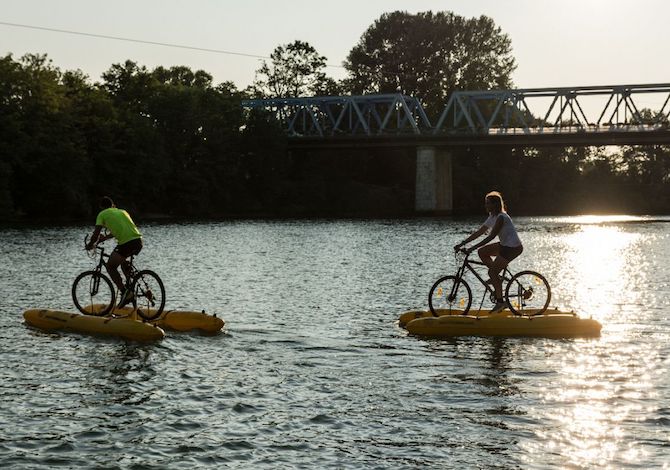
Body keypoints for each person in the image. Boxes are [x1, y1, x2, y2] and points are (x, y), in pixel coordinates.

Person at [453, 191, 523, 314]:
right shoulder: (492, 217)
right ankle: (497, 278)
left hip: (512, 248)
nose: (485, 206)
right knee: (482, 252)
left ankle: (501, 302)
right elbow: (479, 232)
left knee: (491, 272)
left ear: (495, 205)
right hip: (504, 245)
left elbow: (490, 237)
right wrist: (462, 244)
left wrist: (471, 248)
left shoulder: (501, 217)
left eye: (488, 203)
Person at [86, 196, 143, 307]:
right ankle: (132, 282)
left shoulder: (102, 214)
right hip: (138, 241)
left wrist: (90, 244)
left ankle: (125, 292)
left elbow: (96, 233)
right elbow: (122, 229)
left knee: (110, 266)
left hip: (126, 244)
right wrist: (105, 238)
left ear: (101, 207)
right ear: (112, 205)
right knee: (122, 261)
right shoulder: (122, 212)